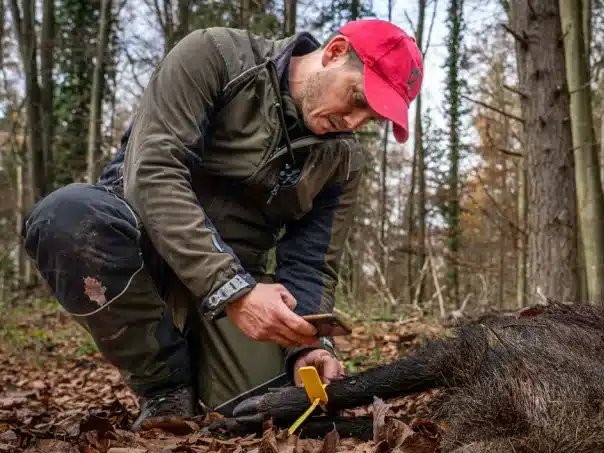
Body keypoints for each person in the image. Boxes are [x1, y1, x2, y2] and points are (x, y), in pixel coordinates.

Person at [21, 19, 423, 431]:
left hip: (240, 281)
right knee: (67, 218)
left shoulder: (342, 159)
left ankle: (211, 373)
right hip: (143, 248)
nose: (354, 122)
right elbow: (154, 173)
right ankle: (164, 388)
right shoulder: (215, 56)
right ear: (335, 51)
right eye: (356, 98)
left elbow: (311, 262)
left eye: (369, 116)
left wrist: (309, 344)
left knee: (260, 415)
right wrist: (232, 289)